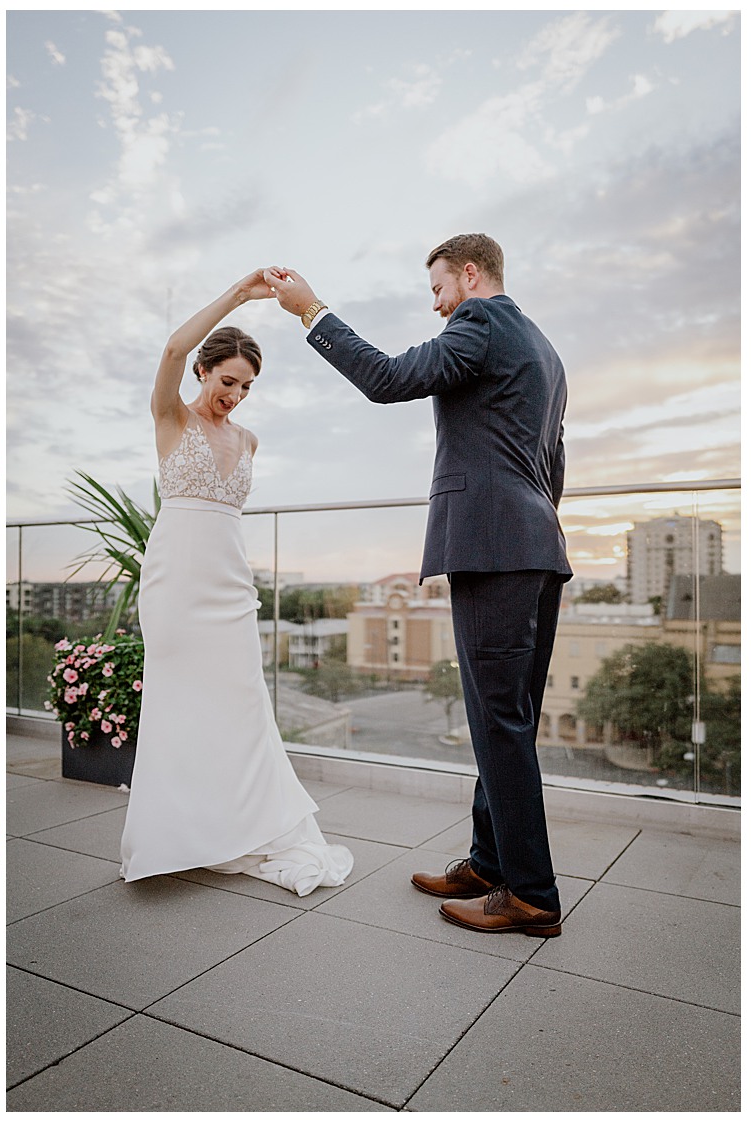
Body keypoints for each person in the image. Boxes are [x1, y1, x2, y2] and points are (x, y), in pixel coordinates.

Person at [264, 234, 570, 937]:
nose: (435, 306)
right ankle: (490, 862)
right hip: (536, 547)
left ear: (470, 273)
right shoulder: (544, 347)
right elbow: (554, 463)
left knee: (500, 722)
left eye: (437, 289)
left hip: (495, 550)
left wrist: (309, 309)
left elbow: (389, 379)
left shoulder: (482, 321)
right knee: (506, 718)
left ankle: (532, 895)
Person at [118, 271, 354, 896]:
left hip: (230, 586)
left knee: (242, 703)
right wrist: (237, 294)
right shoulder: (171, 418)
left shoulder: (249, 440)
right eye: (228, 381)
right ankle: (179, 831)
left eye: (247, 387)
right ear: (203, 371)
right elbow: (170, 349)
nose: (236, 396)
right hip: (175, 585)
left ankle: (243, 823)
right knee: (177, 704)